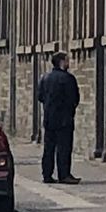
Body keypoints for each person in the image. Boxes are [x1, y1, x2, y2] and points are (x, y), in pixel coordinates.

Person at [36, 52, 81, 184]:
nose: (69, 63)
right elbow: (74, 98)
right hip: (64, 119)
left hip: (49, 118)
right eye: (67, 61)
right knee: (64, 147)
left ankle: (47, 174)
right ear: (62, 62)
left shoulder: (45, 78)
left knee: (49, 148)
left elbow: (40, 97)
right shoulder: (68, 79)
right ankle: (64, 174)